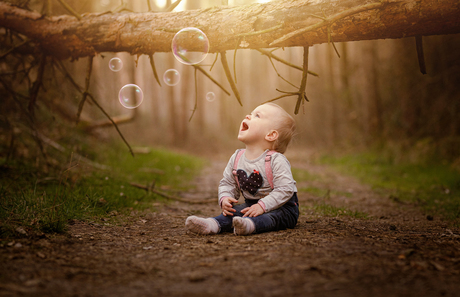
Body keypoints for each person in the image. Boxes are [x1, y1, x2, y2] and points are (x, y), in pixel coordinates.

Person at [185, 103, 299, 236]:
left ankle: (250, 225)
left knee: (271, 217)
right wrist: (226, 197)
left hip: (283, 208)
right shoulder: (237, 157)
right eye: (250, 113)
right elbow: (228, 183)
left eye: (257, 115)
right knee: (234, 212)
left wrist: (262, 206)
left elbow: (286, 189)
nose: (248, 116)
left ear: (271, 135)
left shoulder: (276, 160)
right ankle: (212, 224)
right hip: (251, 206)